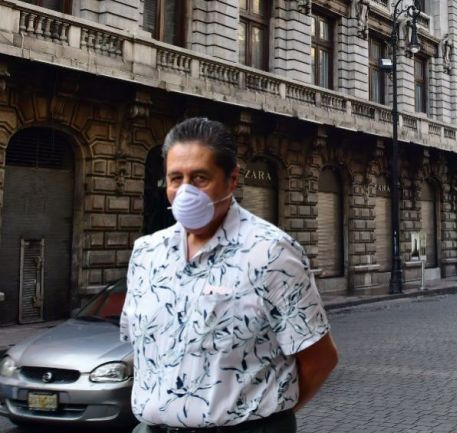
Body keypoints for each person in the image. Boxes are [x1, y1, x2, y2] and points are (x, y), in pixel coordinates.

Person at [120, 118, 339, 433]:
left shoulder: (271, 252)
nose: (184, 192)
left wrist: (268, 418)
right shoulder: (146, 254)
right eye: (175, 178)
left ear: (232, 179)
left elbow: (320, 359)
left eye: (199, 178)